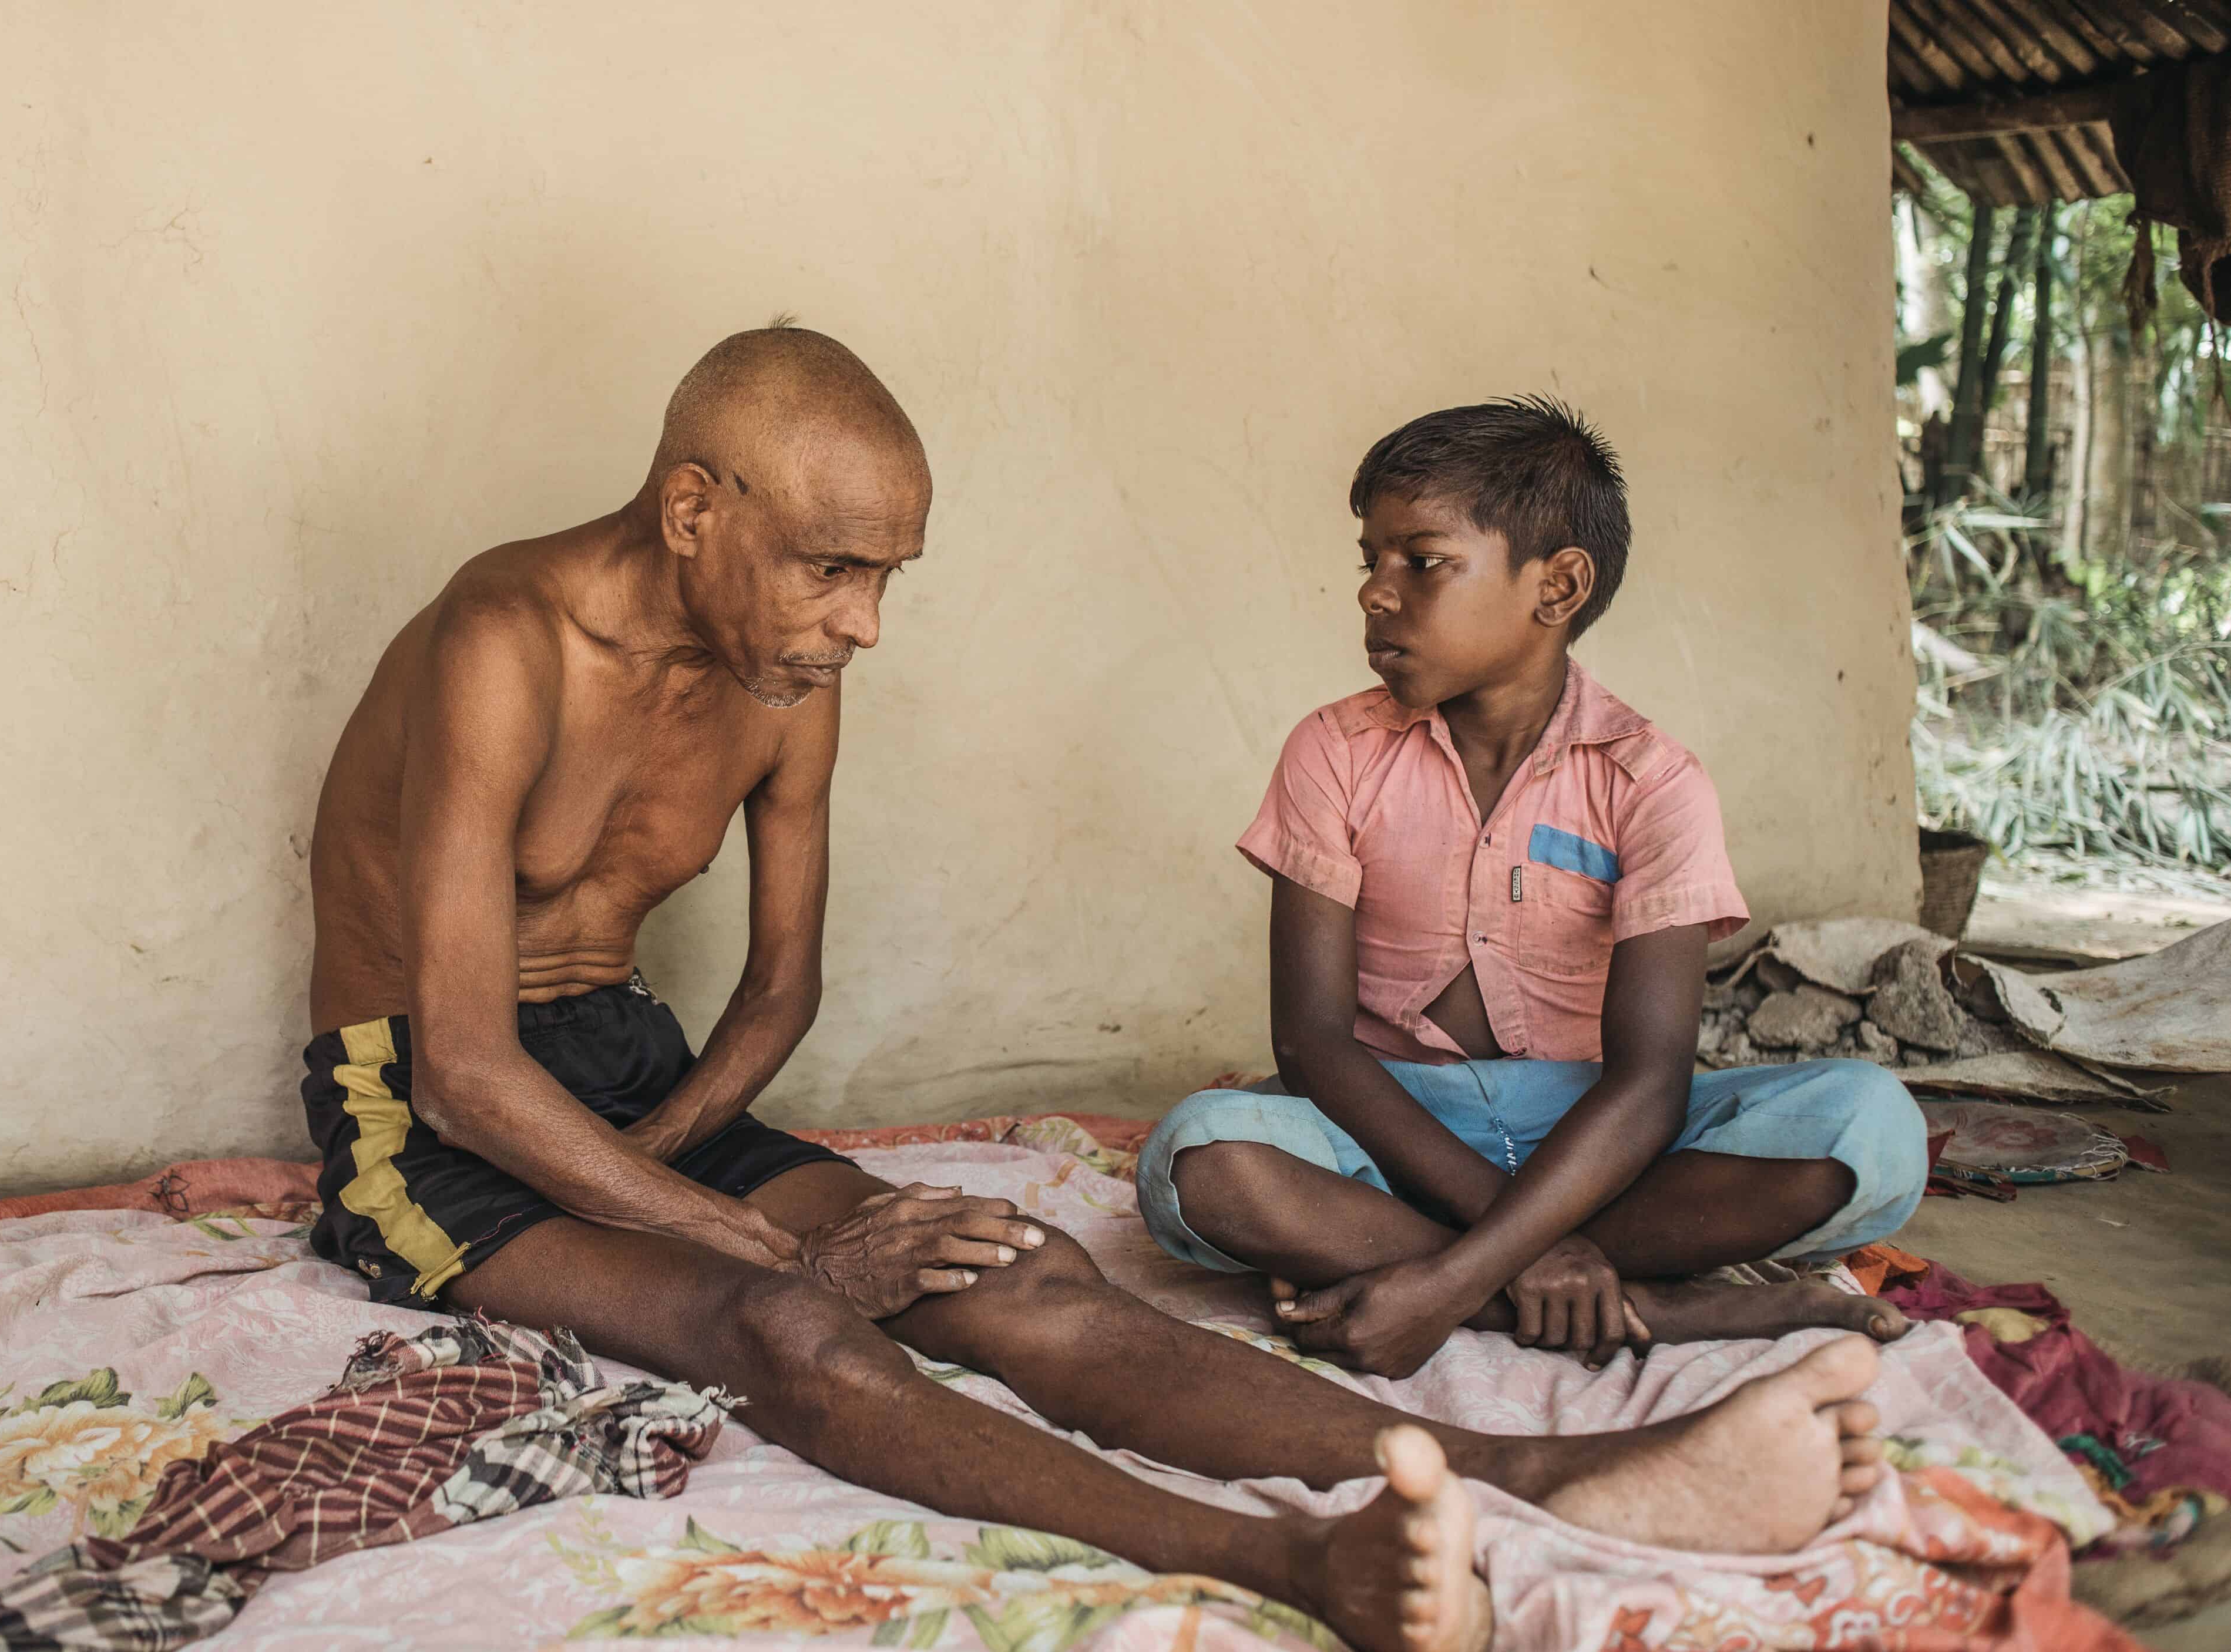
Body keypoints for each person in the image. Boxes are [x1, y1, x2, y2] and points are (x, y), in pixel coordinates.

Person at [300, 336, 1890, 1652]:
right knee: (786, 1318)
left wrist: (681, 1154)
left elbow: (779, 988)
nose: (862, 620)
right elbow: (455, 1068)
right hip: (427, 1111)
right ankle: (1294, 1564)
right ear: (693, 506)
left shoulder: (785, 675)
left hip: (630, 1066)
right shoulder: (505, 638)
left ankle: (1545, 1466)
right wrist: (757, 1231)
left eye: (888, 576)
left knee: (1026, 1261)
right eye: (832, 566)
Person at [1135, 396, 1931, 1382]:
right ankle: (1638, 1300)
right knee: (1200, 1161)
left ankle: (1441, 1277)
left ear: (1556, 586)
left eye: (1420, 561)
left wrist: (1456, 1270)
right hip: (1387, 1119)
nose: (1375, 594)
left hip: (1595, 1138)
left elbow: (1650, 1082)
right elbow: (1309, 1041)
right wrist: (1524, 1247)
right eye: (1368, 561)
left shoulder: (1652, 780)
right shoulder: (1333, 752)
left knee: (1869, 1125)